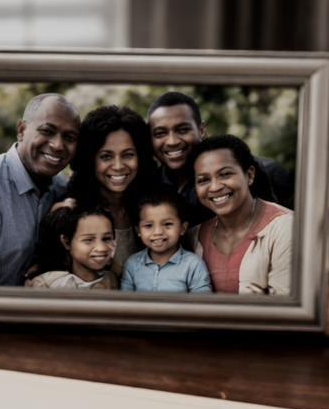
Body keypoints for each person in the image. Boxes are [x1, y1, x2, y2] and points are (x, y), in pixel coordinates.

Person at [0, 93, 80, 286]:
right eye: (47, 131)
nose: (57, 145)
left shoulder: (63, 191)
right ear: (21, 129)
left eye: (69, 137)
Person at [146, 92, 294, 224]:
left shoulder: (265, 171)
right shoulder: (145, 185)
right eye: (160, 133)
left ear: (201, 129)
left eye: (183, 130)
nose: (172, 141)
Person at [54, 105, 156, 277]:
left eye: (128, 155)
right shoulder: (69, 212)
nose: (118, 166)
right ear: (90, 160)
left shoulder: (150, 206)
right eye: (106, 156)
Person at [192, 134, 294, 296]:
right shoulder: (194, 236)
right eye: (203, 179)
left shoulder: (286, 229)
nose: (215, 186)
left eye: (225, 174)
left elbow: (285, 310)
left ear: (250, 175)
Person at [120, 190, 212, 294]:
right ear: (138, 231)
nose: (158, 232)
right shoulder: (132, 264)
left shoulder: (193, 264)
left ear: (183, 228)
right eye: (148, 226)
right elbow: (126, 302)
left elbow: (202, 303)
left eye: (167, 224)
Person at [24, 206, 118, 289]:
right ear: (66, 242)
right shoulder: (47, 284)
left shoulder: (112, 280)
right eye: (88, 240)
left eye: (106, 239)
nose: (101, 248)